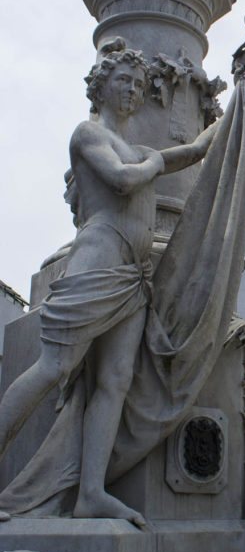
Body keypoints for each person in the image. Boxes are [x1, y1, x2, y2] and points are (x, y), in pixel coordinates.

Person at [0, 43, 217, 526]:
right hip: (97, 262)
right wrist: (158, 164)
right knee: (53, 367)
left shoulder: (141, 149)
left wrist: (238, 101)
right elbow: (122, 182)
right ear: (100, 87)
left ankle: (91, 492)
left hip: (132, 278)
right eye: (124, 81)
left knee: (115, 381)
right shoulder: (89, 135)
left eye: (140, 85)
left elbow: (196, 150)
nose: (134, 90)